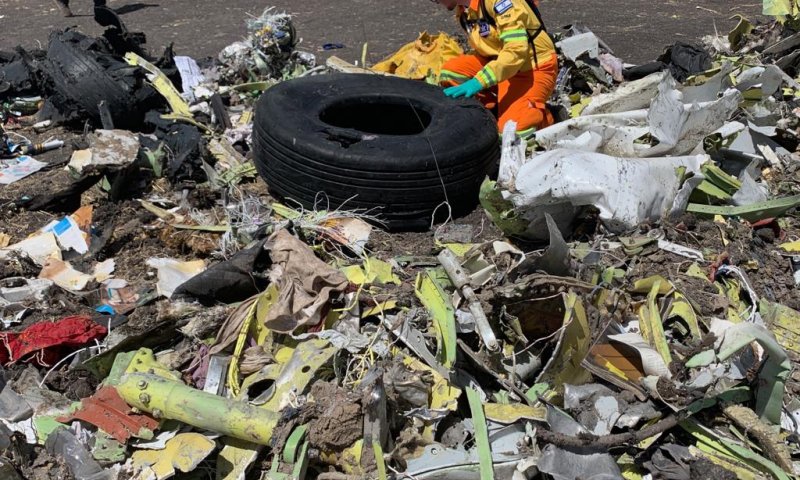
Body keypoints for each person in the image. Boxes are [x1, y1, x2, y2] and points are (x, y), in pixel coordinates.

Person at [434, 0, 558, 138]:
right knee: (450, 72)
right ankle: (493, 111)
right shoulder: (464, 10)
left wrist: (478, 82)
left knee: (514, 133)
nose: (436, 2)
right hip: (499, 65)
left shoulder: (499, 3)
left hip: (531, 69)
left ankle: (548, 118)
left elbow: (515, 52)